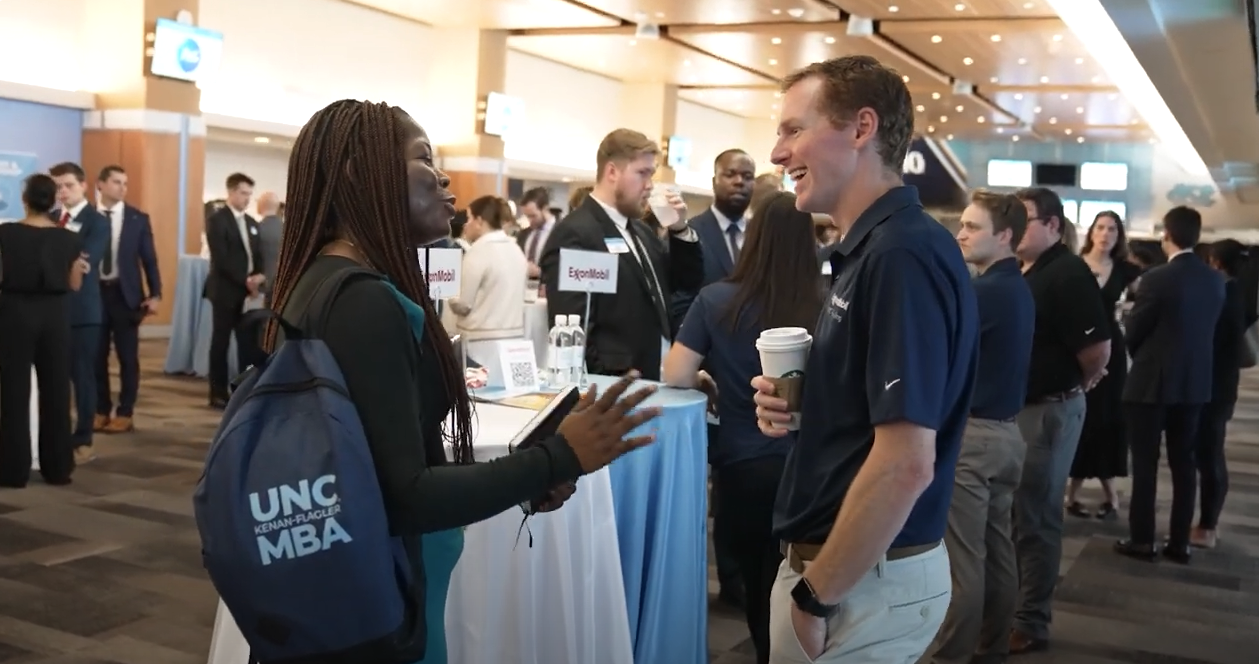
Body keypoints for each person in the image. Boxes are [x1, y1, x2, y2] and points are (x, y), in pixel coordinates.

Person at [264, 99, 665, 664]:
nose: (445, 176)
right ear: (363, 175)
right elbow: (408, 497)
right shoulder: (364, 303)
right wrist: (557, 458)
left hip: (360, 588)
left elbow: (382, 465)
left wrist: (522, 477)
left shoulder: (326, 281)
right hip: (380, 608)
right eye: (425, 158)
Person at [752, 55, 979, 663]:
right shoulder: (870, 249)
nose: (777, 153)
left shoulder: (902, 255)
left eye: (794, 129)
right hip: (851, 571)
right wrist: (802, 408)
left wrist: (815, 598)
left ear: (861, 129)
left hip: (860, 582)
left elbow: (906, 463)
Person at [663, 191, 822, 664]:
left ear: (751, 239)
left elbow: (674, 373)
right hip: (812, 467)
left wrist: (706, 377)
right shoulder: (827, 303)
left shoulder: (717, 300)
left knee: (758, 584)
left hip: (742, 464)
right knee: (813, 581)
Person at [923, 191, 1034, 664]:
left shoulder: (984, 292)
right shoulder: (1016, 286)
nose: (960, 234)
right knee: (997, 552)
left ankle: (951, 657)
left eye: (972, 227)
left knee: (963, 564)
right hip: (1008, 435)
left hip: (975, 439)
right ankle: (991, 651)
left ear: (1005, 236)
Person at [539, 128, 705, 381]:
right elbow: (572, 324)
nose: (650, 186)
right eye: (642, 173)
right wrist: (609, 376)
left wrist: (679, 229)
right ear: (612, 172)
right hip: (616, 385)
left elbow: (686, 283)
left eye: (651, 175)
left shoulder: (641, 231)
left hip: (657, 375)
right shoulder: (576, 233)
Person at [1117, 205, 1223, 565]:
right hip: (1195, 385)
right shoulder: (1214, 280)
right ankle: (1180, 543)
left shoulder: (1157, 278)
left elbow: (1134, 332)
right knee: (1184, 464)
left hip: (1150, 384)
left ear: (1166, 235)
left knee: (1145, 465)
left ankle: (1143, 541)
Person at [0, 174, 89, 487]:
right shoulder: (69, 239)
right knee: (56, 391)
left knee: (12, 392)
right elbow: (74, 284)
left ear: (24, 199)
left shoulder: (5, 233)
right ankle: (57, 468)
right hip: (55, 316)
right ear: (54, 201)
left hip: (13, 314)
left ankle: (12, 469)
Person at [1066, 211, 1142, 519]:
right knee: (1080, 418)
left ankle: (1111, 495)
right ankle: (1072, 492)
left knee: (1109, 419)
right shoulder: (1075, 265)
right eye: (1101, 227)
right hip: (1080, 346)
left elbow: (1146, 301)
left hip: (1113, 345)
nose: (1106, 233)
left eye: (1112, 229)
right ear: (1091, 231)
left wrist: (1128, 311)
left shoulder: (1127, 270)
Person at [1193, 239, 1248, 548]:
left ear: (1214, 261)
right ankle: (1205, 522)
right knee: (1208, 453)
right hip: (1221, 386)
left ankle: (1207, 525)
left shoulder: (1222, 293)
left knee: (1210, 455)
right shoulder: (1235, 290)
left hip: (1214, 387)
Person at [447, 195, 528, 365]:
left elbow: (464, 304)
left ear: (480, 220)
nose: (465, 224)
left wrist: (448, 298)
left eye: (469, 218)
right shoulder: (516, 250)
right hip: (514, 342)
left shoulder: (478, 252)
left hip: (479, 345)